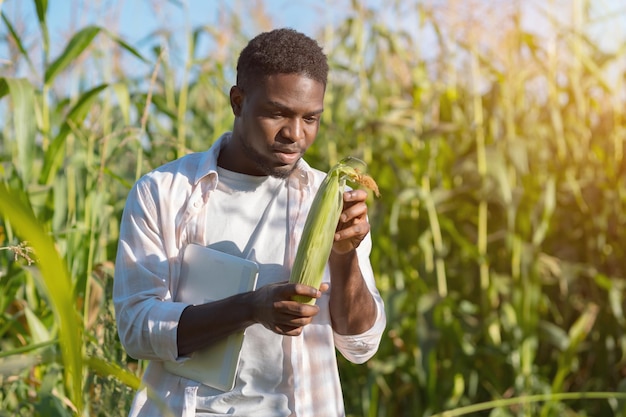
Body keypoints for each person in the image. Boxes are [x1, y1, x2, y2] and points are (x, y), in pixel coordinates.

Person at [113, 28, 386, 417]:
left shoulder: (328, 200)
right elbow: (137, 329)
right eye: (277, 113)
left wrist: (345, 256)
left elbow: (361, 345)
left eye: (311, 118)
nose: (295, 134)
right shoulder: (162, 193)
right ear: (238, 101)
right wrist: (250, 308)